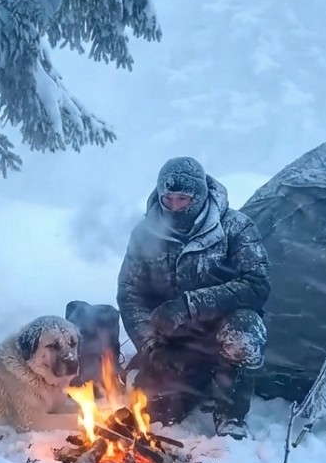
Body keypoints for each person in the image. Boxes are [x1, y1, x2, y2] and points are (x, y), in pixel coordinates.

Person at [116, 156, 271, 439]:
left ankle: (231, 413)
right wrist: (150, 345)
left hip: (222, 328)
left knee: (244, 332)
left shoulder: (235, 227)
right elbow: (130, 294)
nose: (175, 206)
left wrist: (190, 305)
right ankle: (192, 380)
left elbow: (256, 284)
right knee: (154, 415)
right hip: (173, 338)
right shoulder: (144, 234)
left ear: (198, 197)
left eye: (183, 199)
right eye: (168, 199)